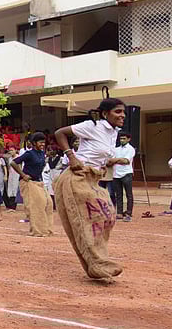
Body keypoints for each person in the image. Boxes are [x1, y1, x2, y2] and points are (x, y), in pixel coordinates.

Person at [53, 98, 125, 280]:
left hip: (93, 179)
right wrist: (71, 156)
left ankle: (96, 262)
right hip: (77, 177)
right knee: (90, 221)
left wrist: (111, 161)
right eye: (117, 112)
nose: (122, 115)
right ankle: (98, 264)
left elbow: (99, 154)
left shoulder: (114, 133)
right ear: (104, 114)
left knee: (108, 216)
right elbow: (60, 133)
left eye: (123, 112)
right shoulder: (92, 126)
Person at [11, 132, 54, 237]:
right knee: (36, 206)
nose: (42, 144)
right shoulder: (29, 154)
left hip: (39, 182)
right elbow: (13, 163)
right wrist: (23, 174)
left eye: (44, 142)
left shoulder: (42, 153)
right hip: (28, 182)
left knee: (49, 203)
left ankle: (46, 229)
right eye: (40, 142)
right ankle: (37, 230)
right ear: (34, 143)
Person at [111, 132, 136, 222]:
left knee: (129, 194)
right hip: (116, 174)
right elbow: (110, 160)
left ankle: (129, 213)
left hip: (126, 173)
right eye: (121, 139)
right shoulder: (116, 149)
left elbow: (126, 161)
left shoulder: (130, 149)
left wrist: (115, 160)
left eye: (124, 138)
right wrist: (118, 160)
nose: (122, 140)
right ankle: (119, 213)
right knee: (118, 195)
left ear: (128, 139)